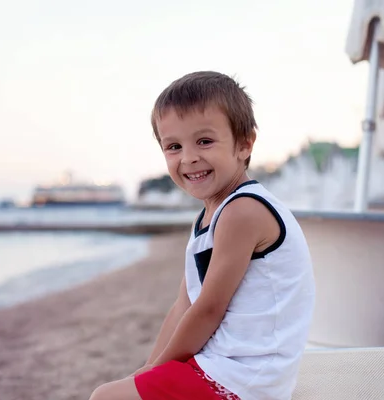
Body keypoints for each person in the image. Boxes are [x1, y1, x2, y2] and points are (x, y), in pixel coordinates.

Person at [89, 71, 316, 400]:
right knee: (123, 390)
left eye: (205, 141)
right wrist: (149, 369)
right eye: (174, 146)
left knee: (105, 397)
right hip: (224, 365)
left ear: (244, 144)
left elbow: (209, 309)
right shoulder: (209, 218)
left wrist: (152, 374)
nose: (189, 157)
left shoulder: (243, 211)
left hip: (245, 377)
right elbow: (183, 306)